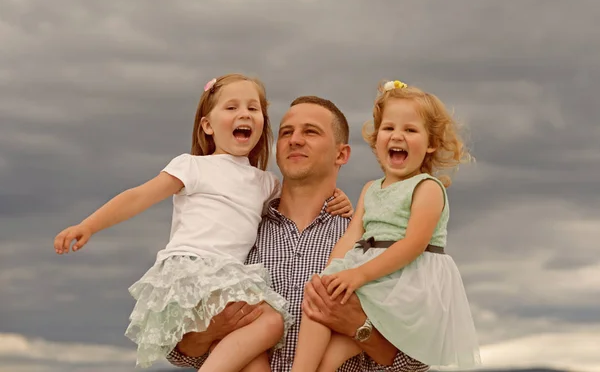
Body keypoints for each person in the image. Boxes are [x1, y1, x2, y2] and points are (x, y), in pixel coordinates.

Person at [52, 74, 353, 371]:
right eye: (231, 107)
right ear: (207, 125)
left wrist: (341, 199)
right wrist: (88, 225)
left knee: (253, 357)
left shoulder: (266, 184)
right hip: (195, 270)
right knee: (271, 322)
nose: (243, 114)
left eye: (253, 108)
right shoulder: (193, 167)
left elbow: (302, 193)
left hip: (227, 276)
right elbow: (139, 196)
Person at [166, 95, 430, 372]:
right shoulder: (236, 231)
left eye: (311, 132)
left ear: (341, 154)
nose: (295, 140)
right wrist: (208, 332)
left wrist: (358, 327)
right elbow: (179, 351)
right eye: (286, 133)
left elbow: (416, 359)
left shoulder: (369, 243)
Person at [290, 80, 482, 372]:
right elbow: (353, 237)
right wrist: (328, 274)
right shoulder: (371, 188)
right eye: (389, 128)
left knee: (330, 319)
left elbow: (413, 245)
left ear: (430, 143)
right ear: (377, 137)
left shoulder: (426, 187)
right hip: (372, 276)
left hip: (404, 282)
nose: (397, 136)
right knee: (319, 308)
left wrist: (358, 274)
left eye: (410, 130)